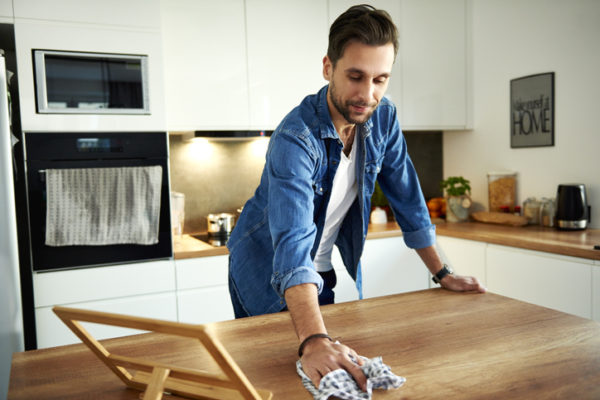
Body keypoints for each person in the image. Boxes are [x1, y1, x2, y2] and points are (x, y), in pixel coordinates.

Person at [227, 4, 486, 391]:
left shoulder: (382, 116)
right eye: (355, 76)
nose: (368, 94)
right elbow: (293, 244)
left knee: (327, 379)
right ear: (328, 67)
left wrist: (442, 273)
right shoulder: (295, 139)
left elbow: (407, 195)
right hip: (266, 269)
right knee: (276, 383)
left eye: (381, 79)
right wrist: (314, 340)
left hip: (320, 273)